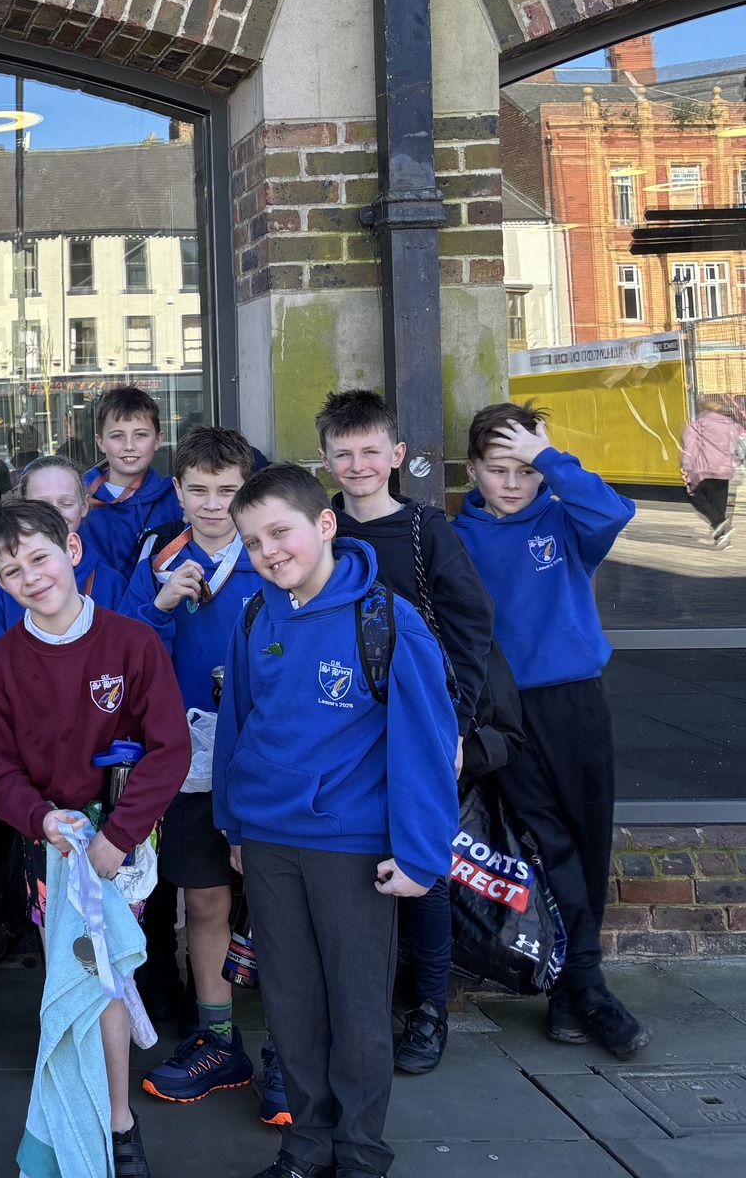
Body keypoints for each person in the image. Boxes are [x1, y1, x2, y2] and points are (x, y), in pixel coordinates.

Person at [218, 464, 459, 1178]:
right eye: (253, 542)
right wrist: (235, 826)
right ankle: (306, 1148)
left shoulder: (385, 618)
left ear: (325, 525)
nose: (269, 552)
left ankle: (359, 1154)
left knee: (357, 1013)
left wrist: (421, 855)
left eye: (280, 532)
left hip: (350, 849)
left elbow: (424, 743)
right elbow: (239, 728)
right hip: (267, 843)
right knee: (290, 1005)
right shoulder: (257, 614)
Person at [0, 500, 188, 1178]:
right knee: (71, 980)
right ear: (2, 586)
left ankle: (118, 1122)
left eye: (39, 558)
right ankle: (71, 1112)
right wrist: (42, 821)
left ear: (71, 550)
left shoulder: (131, 642)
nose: (31, 577)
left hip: (120, 842)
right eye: (12, 572)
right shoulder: (2, 665)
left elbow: (169, 749)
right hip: (52, 846)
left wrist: (118, 837)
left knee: (111, 980)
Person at [316, 388, 503, 1073]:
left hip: (419, 726)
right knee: (353, 865)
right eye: (345, 453)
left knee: (424, 869)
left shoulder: (428, 531)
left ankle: (428, 1010)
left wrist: (449, 726)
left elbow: (470, 627)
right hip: (344, 731)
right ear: (326, 459)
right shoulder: (320, 530)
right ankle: (367, 1000)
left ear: (396, 455)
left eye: (371, 451)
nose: (359, 464)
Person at [455, 403, 645, 1058]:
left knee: (588, 839)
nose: (512, 484)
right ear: (473, 470)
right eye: (497, 470)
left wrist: (550, 461)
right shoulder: (459, 538)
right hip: (506, 714)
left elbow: (614, 512)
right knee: (547, 841)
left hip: (576, 702)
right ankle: (583, 985)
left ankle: (573, 991)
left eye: (524, 470)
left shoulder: (564, 519)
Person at [118, 425, 284, 1119]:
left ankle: (291, 1049)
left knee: (282, 907)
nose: (214, 505)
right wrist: (157, 607)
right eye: (200, 491)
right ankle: (219, 1037)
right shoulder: (159, 553)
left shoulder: (271, 552)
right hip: (189, 759)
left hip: (267, 758)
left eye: (228, 490)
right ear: (177, 491)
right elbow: (125, 651)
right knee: (205, 900)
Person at [0, 454, 126, 661]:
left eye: (66, 502)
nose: (54, 513)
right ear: (21, 504)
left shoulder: (111, 583)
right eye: (41, 504)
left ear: (85, 506)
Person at [78, 386, 180, 573]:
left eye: (140, 435)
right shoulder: (79, 499)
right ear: (100, 442)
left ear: (158, 440)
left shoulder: (174, 500)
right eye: (117, 436)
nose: (129, 446)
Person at [681, 397, 741, 546]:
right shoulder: (729, 424)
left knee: (695, 498)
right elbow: (735, 445)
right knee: (718, 505)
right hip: (724, 470)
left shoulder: (696, 425)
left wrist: (685, 466)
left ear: (701, 408)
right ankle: (723, 540)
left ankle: (718, 523)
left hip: (704, 470)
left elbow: (689, 448)